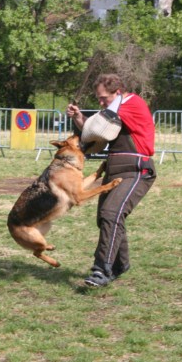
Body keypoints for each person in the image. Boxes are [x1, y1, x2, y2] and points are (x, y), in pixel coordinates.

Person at [66, 73, 156, 288]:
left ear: (117, 92)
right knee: (105, 218)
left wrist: (84, 120)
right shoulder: (114, 109)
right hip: (114, 170)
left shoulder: (132, 103)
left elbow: (96, 127)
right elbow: (95, 131)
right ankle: (120, 265)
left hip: (137, 170)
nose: (100, 102)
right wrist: (78, 117)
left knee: (111, 214)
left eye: (104, 98)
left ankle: (101, 270)